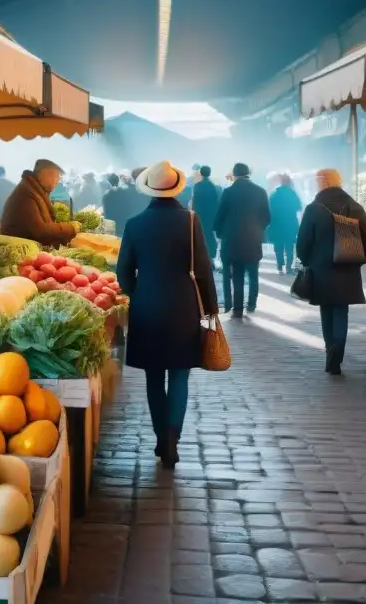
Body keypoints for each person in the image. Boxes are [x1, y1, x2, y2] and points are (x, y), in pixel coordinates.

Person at [116, 161, 218, 468]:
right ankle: (173, 438)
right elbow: (202, 269)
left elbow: (123, 271)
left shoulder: (134, 224)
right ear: (177, 188)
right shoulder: (190, 221)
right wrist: (211, 309)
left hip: (147, 308)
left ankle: (161, 437)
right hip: (183, 307)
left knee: (153, 376)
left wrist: (138, 292)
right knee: (179, 375)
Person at [296, 168, 366, 375]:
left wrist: (307, 261)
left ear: (322, 183)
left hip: (321, 269)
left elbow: (303, 242)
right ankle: (337, 351)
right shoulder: (355, 207)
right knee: (341, 310)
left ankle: (330, 348)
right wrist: (358, 260)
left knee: (326, 309)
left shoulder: (313, 209)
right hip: (347, 268)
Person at [214, 163, 270, 317]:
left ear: (234, 174)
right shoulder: (261, 192)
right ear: (248, 174)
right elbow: (267, 218)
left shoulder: (228, 192)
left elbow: (219, 217)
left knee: (237, 274)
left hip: (232, 241)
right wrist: (258, 230)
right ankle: (251, 304)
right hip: (253, 240)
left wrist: (220, 233)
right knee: (253, 273)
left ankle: (237, 308)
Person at [0, 159, 80, 246]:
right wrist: (70, 228)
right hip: (21, 251)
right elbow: (39, 231)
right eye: (56, 176)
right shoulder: (26, 194)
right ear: (46, 174)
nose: (58, 180)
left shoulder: (34, 190)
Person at [268, 173, 303, 275]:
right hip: (290, 224)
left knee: (278, 246)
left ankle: (279, 266)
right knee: (289, 247)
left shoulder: (274, 193)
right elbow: (299, 207)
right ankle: (288, 267)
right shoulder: (292, 193)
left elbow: (269, 208)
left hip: (277, 224)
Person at [191, 165, 221, 261]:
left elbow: (194, 202)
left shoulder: (197, 186)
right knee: (210, 234)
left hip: (200, 215)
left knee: (201, 234)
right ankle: (211, 254)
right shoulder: (215, 187)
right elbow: (217, 202)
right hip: (211, 215)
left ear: (200, 173)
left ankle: (201, 255)